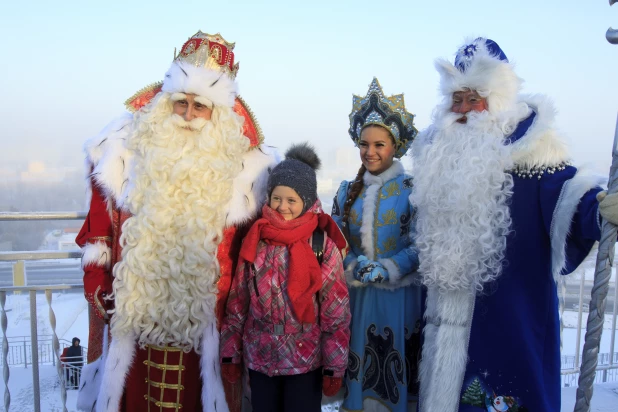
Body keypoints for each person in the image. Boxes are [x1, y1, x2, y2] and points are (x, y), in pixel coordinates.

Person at [75, 30, 278, 411]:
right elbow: (98, 231)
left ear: (217, 112)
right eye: (180, 103)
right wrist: (97, 282)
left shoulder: (249, 174)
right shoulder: (124, 155)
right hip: (134, 321)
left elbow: (266, 244)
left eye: (199, 106)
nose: (187, 116)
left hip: (207, 328)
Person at [411, 37, 618, 411]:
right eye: (456, 100)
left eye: (473, 99)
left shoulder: (533, 158)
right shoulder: (437, 161)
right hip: (442, 330)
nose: (462, 110)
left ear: (498, 102)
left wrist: (600, 208)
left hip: (509, 323)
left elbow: (570, 199)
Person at [220, 142, 351, 412]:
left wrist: (334, 367)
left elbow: (335, 310)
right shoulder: (256, 239)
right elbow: (238, 302)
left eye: (291, 200)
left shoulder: (320, 244)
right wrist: (230, 353)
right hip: (261, 358)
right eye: (277, 198)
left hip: (305, 360)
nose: (282, 207)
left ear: (306, 201)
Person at [331, 78, 422, 411]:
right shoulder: (345, 191)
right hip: (358, 297)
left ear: (395, 146)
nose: (370, 152)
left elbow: (422, 245)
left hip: (401, 299)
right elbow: (336, 244)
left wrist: (388, 268)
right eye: (364, 144)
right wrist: (356, 266)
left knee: (395, 374)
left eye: (379, 145)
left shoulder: (415, 189)